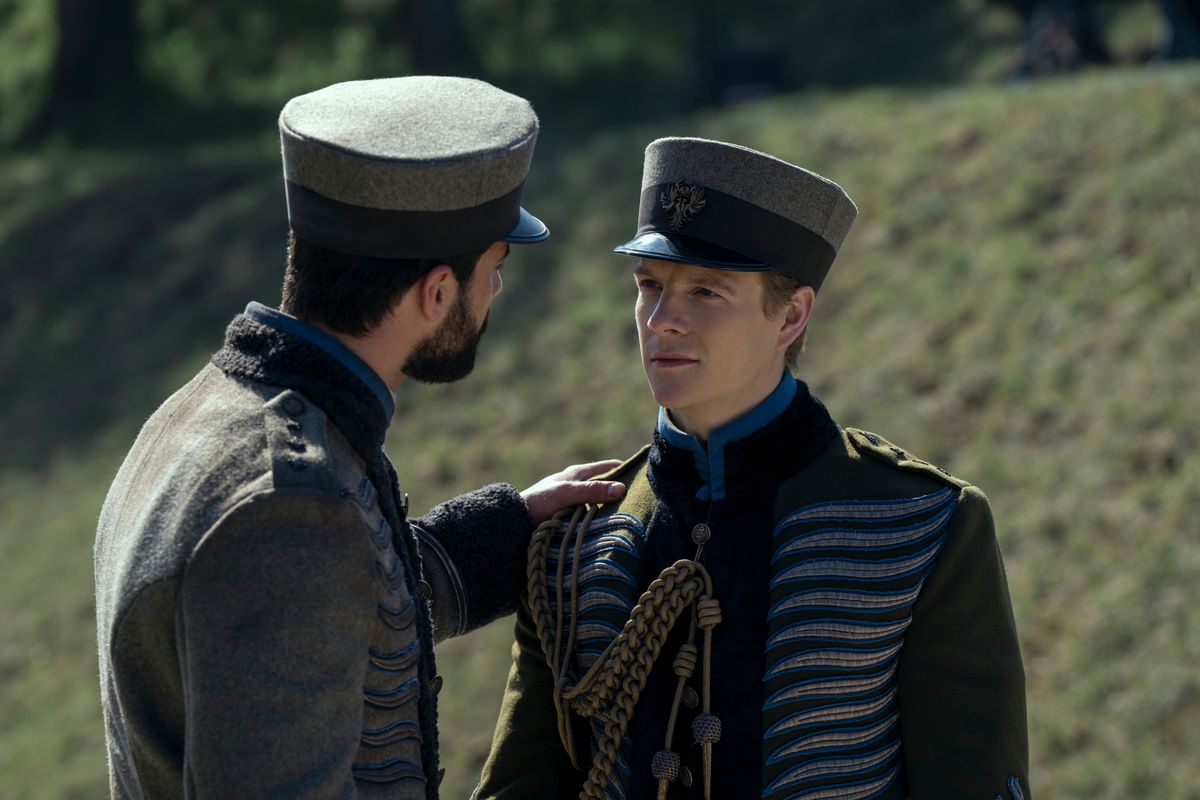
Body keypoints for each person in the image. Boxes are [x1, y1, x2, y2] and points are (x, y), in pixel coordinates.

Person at [94, 76, 626, 799]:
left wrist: (505, 534)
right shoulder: (289, 507)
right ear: (436, 293)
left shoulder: (200, 414)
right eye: (493, 272)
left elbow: (324, 624)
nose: (496, 293)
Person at [476, 137, 1030, 799]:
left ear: (791, 315)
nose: (661, 321)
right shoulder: (574, 540)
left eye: (706, 291)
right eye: (648, 285)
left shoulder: (925, 526)